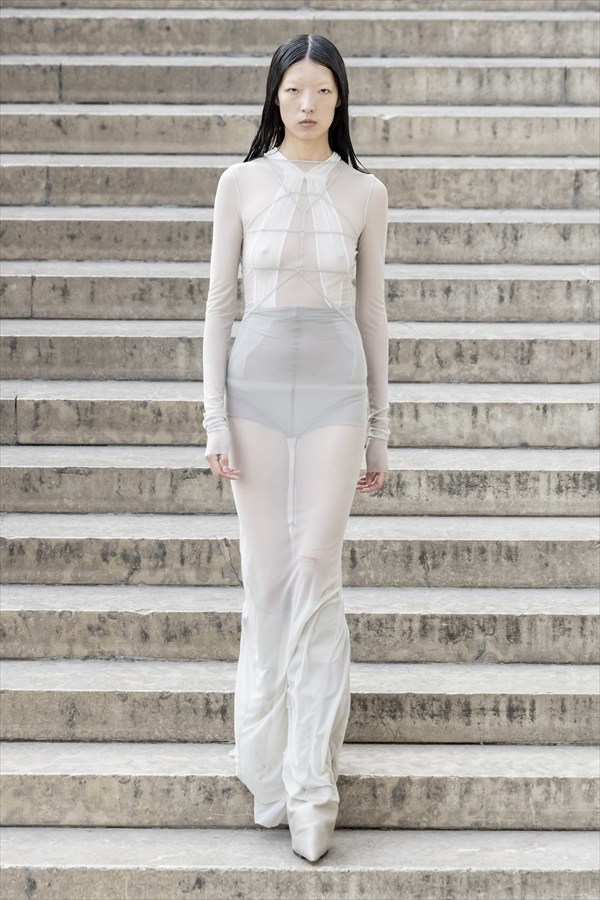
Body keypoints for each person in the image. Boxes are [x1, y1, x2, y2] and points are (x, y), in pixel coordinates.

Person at [203, 33, 389, 862]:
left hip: (335, 398)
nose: (307, 105)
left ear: (339, 100)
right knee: (270, 578)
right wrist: (213, 419)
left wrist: (382, 427)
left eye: (322, 91)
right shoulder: (240, 183)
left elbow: (373, 311)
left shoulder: (366, 192)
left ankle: (314, 785)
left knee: (318, 573)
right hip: (253, 393)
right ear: (274, 98)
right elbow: (219, 305)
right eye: (293, 91)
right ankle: (269, 771)